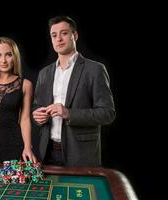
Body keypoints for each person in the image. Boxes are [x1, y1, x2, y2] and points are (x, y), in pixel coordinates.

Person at [32, 16, 115, 167]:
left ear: (74, 35)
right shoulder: (44, 73)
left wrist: (69, 113)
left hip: (81, 154)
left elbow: (107, 113)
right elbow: (36, 106)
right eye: (54, 35)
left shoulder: (95, 69)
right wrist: (36, 116)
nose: (59, 39)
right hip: (47, 152)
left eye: (64, 33)